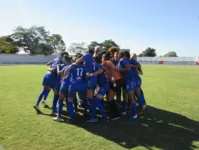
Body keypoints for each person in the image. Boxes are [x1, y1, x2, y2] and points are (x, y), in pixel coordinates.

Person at [74, 50, 98, 122]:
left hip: (90, 80)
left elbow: (77, 62)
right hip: (94, 79)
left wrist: (74, 64)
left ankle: (94, 117)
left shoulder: (87, 55)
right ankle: (91, 112)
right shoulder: (93, 58)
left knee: (90, 99)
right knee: (90, 98)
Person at [86, 56, 109, 123]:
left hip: (104, 85)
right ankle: (96, 116)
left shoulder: (97, 65)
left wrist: (91, 74)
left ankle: (104, 118)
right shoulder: (97, 65)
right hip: (102, 85)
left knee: (97, 100)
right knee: (96, 100)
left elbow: (100, 70)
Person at [102, 53, 122, 120]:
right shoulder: (109, 62)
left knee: (110, 98)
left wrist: (113, 80)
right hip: (116, 80)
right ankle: (112, 111)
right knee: (109, 97)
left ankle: (116, 115)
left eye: (102, 57)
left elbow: (112, 70)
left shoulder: (106, 62)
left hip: (116, 81)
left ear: (103, 58)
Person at [117, 51, 137, 120]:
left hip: (130, 80)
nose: (118, 54)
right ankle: (124, 110)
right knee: (125, 95)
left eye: (119, 53)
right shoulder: (124, 60)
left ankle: (134, 114)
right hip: (126, 80)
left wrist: (118, 69)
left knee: (131, 97)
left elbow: (128, 68)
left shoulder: (123, 60)